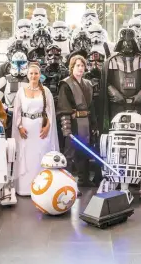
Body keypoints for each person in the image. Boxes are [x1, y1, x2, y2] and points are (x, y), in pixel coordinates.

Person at [11, 62, 59, 196]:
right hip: (25, 129)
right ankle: (24, 189)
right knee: (25, 156)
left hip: (40, 128)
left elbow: (50, 111)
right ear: (27, 75)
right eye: (31, 73)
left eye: (36, 73)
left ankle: (42, 187)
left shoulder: (46, 91)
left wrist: (47, 126)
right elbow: (17, 111)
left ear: (40, 75)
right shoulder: (21, 91)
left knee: (40, 155)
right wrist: (19, 126)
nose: (33, 76)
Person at [57, 55, 98, 190]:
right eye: (77, 65)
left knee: (85, 152)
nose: (80, 68)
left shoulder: (88, 84)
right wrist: (67, 130)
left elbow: (91, 106)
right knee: (70, 153)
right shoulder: (66, 84)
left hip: (86, 121)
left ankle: (84, 179)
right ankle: (67, 183)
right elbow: (64, 108)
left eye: (82, 65)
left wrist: (94, 125)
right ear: (72, 67)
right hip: (73, 122)